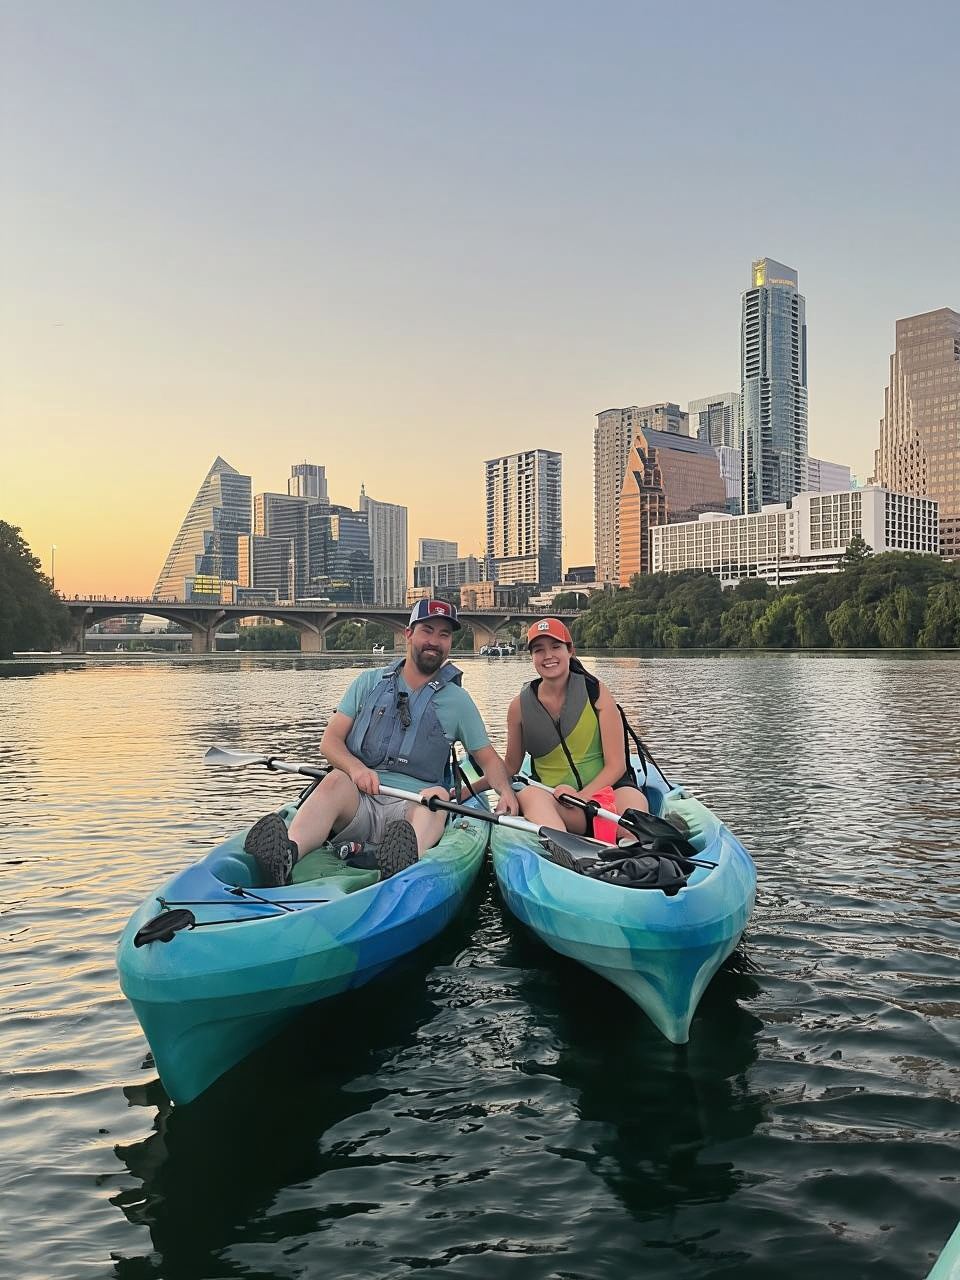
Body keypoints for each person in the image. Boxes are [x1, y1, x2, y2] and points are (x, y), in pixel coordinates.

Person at [243, 598, 519, 886]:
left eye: (444, 634)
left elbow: (487, 759)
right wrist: (355, 769)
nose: (434, 641)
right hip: (359, 803)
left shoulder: (458, 701)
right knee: (336, 780)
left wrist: (506, 793)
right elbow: (331, 741)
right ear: (408, 633)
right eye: (427, 630)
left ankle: (403, 863)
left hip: (412, 809)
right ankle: (287, 853)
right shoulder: (368, 682)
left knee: (437, 796)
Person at [483, 617, 649, 840]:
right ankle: (565, 848)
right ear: (531, 656)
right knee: (530, 795)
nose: (548, 655)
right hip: (562, 807)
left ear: (570, 650)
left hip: (611, 796)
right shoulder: (518, 707)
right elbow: (510, 767)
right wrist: (463, 792)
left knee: (634, 802)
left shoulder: (596, 692)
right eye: (539, 650)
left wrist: (581, 796)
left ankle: (631, 845)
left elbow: (616, 765)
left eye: (555, 647)